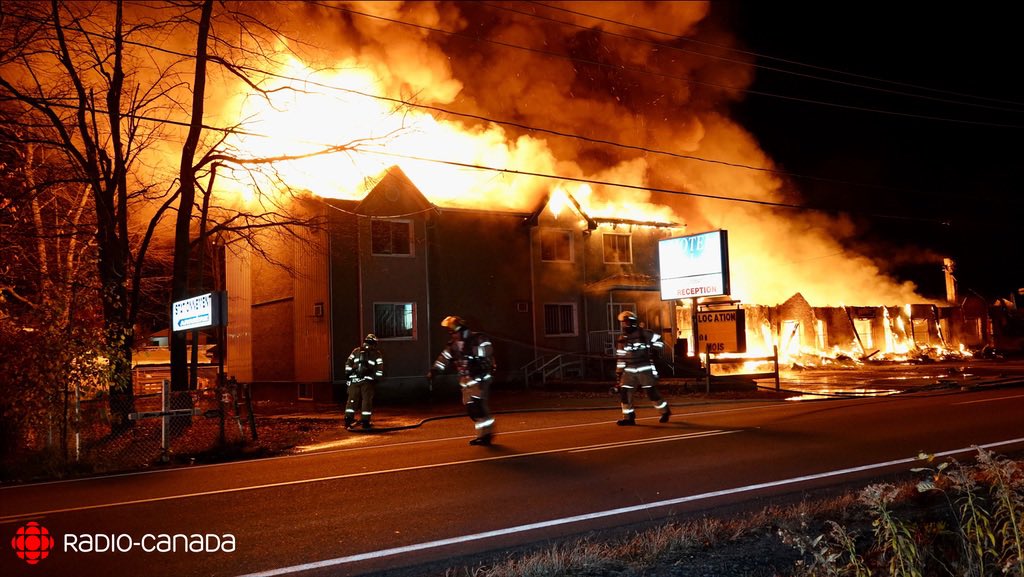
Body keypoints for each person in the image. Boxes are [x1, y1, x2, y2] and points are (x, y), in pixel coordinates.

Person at [427, 315, 496, 445]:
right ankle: (482, 434)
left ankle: (486, 435)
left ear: (462, 330)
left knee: (478, 407)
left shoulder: (477, 338)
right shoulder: (453, 345)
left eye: (454, 332)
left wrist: (472, 350)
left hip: (479, 379)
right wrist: (435, 370)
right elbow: (444, 357)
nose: (453, 335)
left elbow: (488, 350)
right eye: (451, 333)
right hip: (465, 380)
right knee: (472, 410)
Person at [614, 311, 671, 426]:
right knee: (625, 393)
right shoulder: (622, 338)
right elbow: (621, 356)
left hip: (644, 368)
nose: (626, 325)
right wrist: (619, 372)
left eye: (628, 322)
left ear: (633, 322)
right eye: (624, 323)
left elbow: (660, 342)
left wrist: (654, 349)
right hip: (629, 370)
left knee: (651, 392)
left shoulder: (645, 333)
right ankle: (628, 418)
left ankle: (665, 412)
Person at [343, 333, 384, 429]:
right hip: (367, 381)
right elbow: (380, 369)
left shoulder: (356, 351)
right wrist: (375, 378)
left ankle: (348, 420)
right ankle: (365, 421)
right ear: (374, 343)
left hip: (354, 380)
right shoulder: (377, 354)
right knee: (366, 401)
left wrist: (348, 375)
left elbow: (348, 363)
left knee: (352, 400)